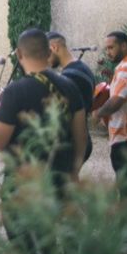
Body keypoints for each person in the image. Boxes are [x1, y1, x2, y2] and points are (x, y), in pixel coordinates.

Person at [0, 29, 86, 254]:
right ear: (47, 52)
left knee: (24, 244)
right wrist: (74, 170)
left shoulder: (16, 91)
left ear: (19, 54)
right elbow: (80, 136)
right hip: (58, 179)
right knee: (48, 240)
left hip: (22, 184)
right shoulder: (70, 86)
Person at [47, 31, 95, 162]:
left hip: (72, 144)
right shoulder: (83, 68)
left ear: (54, 47)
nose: (45, 59)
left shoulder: (70, 76)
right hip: (81, 138)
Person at [95, 31, 127, 197]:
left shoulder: (125, 67)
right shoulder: (125, 66)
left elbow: (117, 100)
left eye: (111, 47)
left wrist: (98, 113)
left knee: (125, 189)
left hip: (125, 138)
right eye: (106, 48)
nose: (108, 52)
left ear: (124, 46)